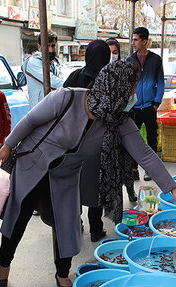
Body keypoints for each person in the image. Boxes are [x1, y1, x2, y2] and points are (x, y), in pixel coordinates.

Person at [0, 61, 176, 287]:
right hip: (35, 164)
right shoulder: (67, 98)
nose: (134, 91)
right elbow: (30, 120)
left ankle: (62, 273)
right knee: (18, 217)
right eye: (133, 84)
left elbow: (145, 154)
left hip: (65, 175)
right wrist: (8, 145)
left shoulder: (119, 122)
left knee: (67, 223)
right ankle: (3, 265)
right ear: (116, 86)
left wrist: (173, 189)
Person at [63, 39, 115, 242]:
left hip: (72, 141)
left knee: (74, 185)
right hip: (97, 142)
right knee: (95, 187)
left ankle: (76, 225)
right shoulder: (108, 81)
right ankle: (96, 229)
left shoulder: (75, 76)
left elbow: (61, 103)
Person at [126, 27, 165, 181]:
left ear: (144, 41)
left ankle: (151, 170)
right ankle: (133, 169)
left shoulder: (155, 60)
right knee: (133, 140)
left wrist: (156, 103)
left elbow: (160, 82)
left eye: (136, 39)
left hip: (149, 106)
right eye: (133, 39)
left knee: (151, 138)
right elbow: (128, 85)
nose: (133, 43)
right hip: (134, 107)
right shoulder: (130, 61)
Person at [22, 31, 64, 109]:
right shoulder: (33, 62)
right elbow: (53, 82)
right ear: (39, 47)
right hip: (39, 111)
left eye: (53, 46)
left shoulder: (54, 63)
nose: (51, 50)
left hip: (53, 109)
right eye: (47, 46)